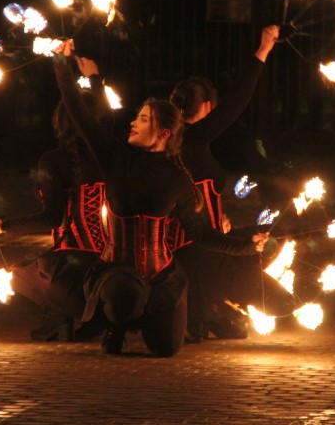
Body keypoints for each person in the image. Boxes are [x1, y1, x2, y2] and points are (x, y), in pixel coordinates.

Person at [52, 40, 269, 357]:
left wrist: (246, 245)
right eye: (136, 117)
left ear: (164, 133)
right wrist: (60, 62)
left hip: (163, 275)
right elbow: (76, 109)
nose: (132, 122)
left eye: (142, 119)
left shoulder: (177, 177)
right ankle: (117, 323)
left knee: (167, 348)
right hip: (117, 273)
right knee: (126, 297)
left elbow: (199, 233)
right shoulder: (113, 157)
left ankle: (150, 316)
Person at [169, 24, 294, 342]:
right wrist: (263, 51)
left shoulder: (163, 143)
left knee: (267, 240)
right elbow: (238, 100)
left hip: (189, 249)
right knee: (283, 301)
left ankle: (214, 308)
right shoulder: (193, 139)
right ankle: (214, 306)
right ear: (208, 108)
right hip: (206, 253)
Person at [0, 77, 111, 342]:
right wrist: (95, 82)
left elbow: (53, 218)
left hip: (75, 270)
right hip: (112, 265)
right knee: (45, 263)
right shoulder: (110, 154)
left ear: (60, 120)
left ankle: (62, 316)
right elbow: (107, 122)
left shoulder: (54, 161)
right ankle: (86, 316)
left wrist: (2, 227)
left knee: (16, 275)